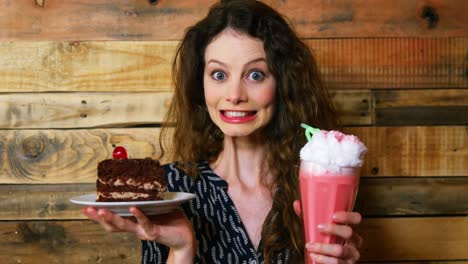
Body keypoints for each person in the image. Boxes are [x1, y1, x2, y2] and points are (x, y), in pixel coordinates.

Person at [83, 0, 363, 263]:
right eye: (219, 75)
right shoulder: (169, 190)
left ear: (283, 84)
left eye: (255, 75)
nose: (235, 95)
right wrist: (182, 251)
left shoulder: (317, 186)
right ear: (200, 84)